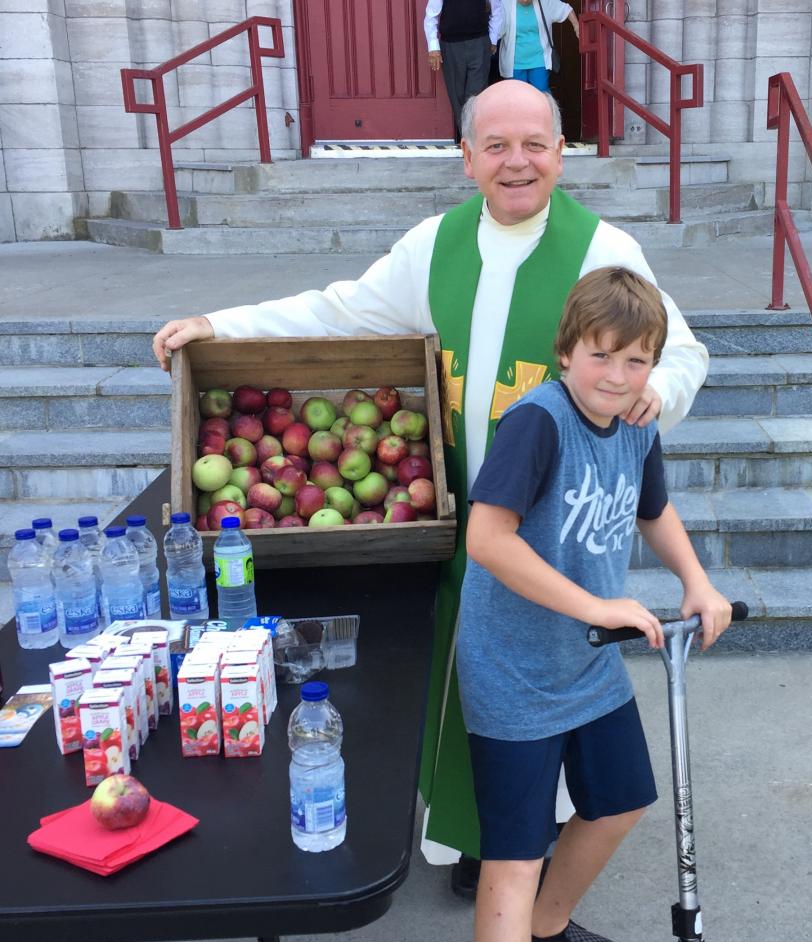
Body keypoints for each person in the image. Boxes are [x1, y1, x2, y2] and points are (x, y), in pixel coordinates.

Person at [151, 80, 709, 891]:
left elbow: (682, 347)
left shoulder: (604, 249)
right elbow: (341, 310)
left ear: (561, 154)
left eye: (534, 145)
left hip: (546, 538)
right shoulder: (435, 244)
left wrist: (661, 389)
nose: (516, 162)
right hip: (458, 521)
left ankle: (523, 867)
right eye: (496, 146)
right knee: (464, 686)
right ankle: (478, 853)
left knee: (546, 691)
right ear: (466, 158)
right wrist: (220, 327)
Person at [457, 266, 732, 942]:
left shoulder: (635, 423)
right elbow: (486, 539)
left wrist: (695, 579)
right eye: (601, 356)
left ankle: (547, 927)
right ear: (567, 350)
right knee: (509, 855)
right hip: (514, 667)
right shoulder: (535, 424)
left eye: (637, 360)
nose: (617, 375)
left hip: (591, 658)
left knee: (620, 803)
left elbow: (654, 512)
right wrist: (596, 604)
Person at [424, 0, 505, 140]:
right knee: (457, 96)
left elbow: (497, 11)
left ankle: (474, 142)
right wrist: (433, 47)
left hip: (479, 43)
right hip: (451, 45)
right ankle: (468, 141)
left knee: (476, 96)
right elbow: (431, 16)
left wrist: (492, 39)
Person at [498, 0, 577, 92]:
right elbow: (496, 25)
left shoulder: (544, 2)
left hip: (539, 60)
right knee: (518, 98)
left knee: (541, 95)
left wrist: (577, 26)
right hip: (515, 63)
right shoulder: (505, 4)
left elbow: (566, 9)